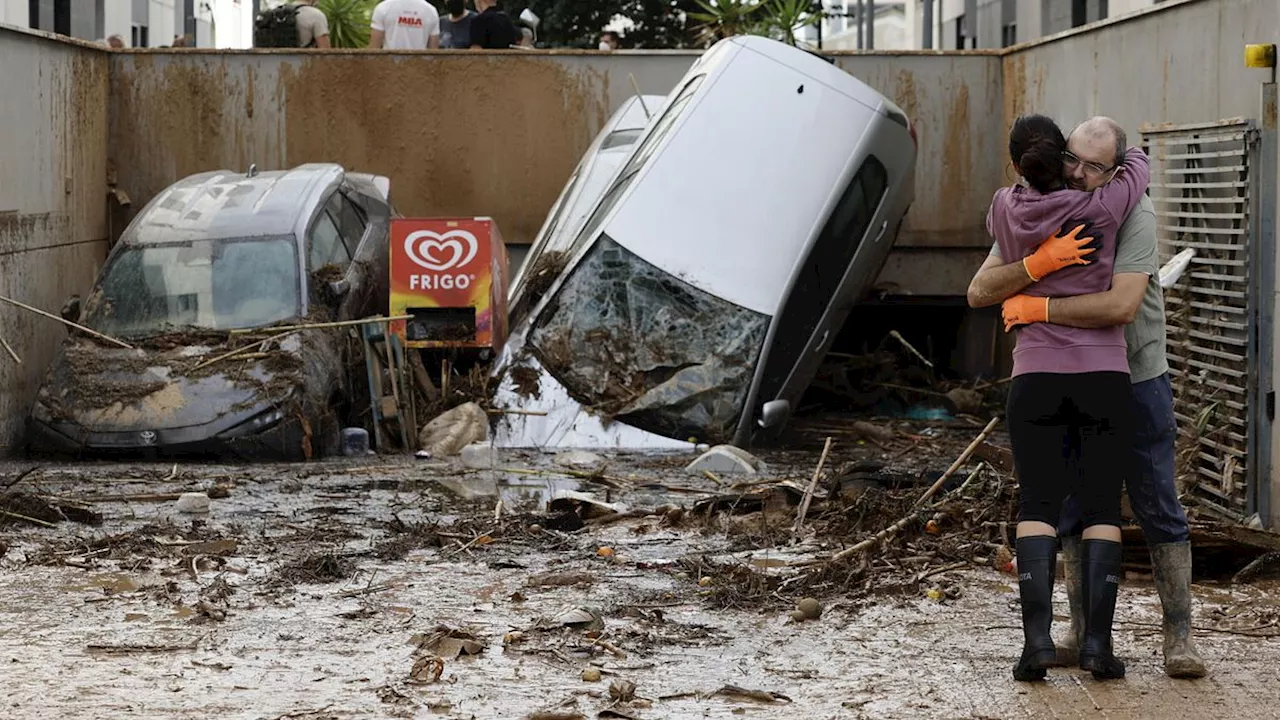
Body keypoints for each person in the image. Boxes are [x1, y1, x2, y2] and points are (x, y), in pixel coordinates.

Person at [967, 116, 1207, 680]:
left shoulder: (1132, 211)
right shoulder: (1059, 200)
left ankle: (1179, 635)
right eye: (1071, 157)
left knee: (1155, 501)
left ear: (1116, 170)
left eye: (1094, 165)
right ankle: (1081, 632)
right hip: (1089, 375)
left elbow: (1121, 306)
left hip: (1137, 372)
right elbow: (982, 287)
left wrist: (1039, 305)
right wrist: (1037, 263)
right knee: (1080, 505)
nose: (1077, 172)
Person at [985, 114, 1149, 683]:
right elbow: (1139, 169)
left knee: (1037, 506)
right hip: (1104, 375)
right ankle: (1098, 649)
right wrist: (1131, 156)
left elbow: (987, 282)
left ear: (1018, 164)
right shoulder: (1104, 209)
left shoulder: (1003, 208)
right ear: (1061, 160)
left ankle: (1036, 647)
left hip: (1035, 375)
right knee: (1102, 507)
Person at [369, 0, 440, 49]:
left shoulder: (383, 8)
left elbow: (374, 48)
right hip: (419, 66)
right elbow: (434, 51)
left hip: (390, 66)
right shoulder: (431, 11)